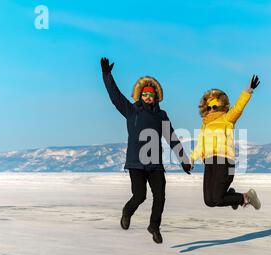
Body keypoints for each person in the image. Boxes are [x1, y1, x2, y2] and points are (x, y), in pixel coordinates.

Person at [101, 57, 191, 244]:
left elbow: (172, 137)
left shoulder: (161, 115)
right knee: (140, 195)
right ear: (140, 96)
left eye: (151, 95)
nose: (148, 98)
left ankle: (154, 226)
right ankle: (127, 211)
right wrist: (107, 75)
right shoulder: (131, 110)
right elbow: (115, 96)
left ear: (156, 97)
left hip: (155, 165)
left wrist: (183, 159)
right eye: (145, 95)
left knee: (160, 196)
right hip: (136, 163)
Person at [190, 75, 261, 210]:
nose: (211, 109)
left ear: (221, 106)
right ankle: (232, 197)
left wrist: (248, 91)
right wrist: (192, 159)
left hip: (225, 161)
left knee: (216, 197)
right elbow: (200, 145)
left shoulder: (227, 119)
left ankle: (247, 197)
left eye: (214, 106)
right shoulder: (205, 125)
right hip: (209, 163)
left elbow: (238, 108)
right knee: (209, 201)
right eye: (209, 107)